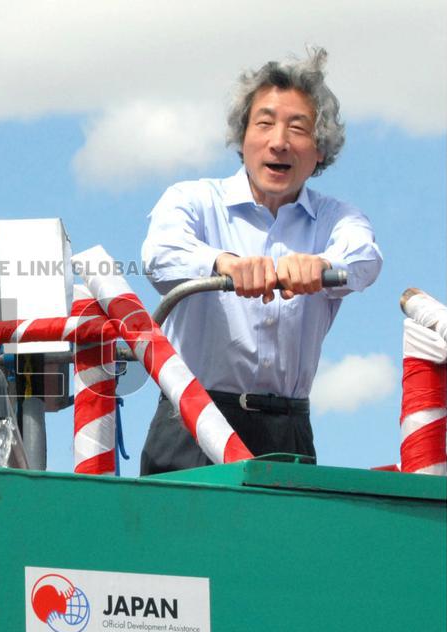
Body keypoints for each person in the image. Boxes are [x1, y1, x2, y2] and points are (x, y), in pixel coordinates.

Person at [139, 48, 382, 475]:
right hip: (191, 424)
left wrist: (319, 265)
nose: (279, 141)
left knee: (286, 543)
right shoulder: (191, 199)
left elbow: (364, 259)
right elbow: (159, 254)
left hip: (287, 431)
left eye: (298, 128)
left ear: (319, 150)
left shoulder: (336, 217)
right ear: (243, 137)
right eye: (265, 123)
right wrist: (223, 263)